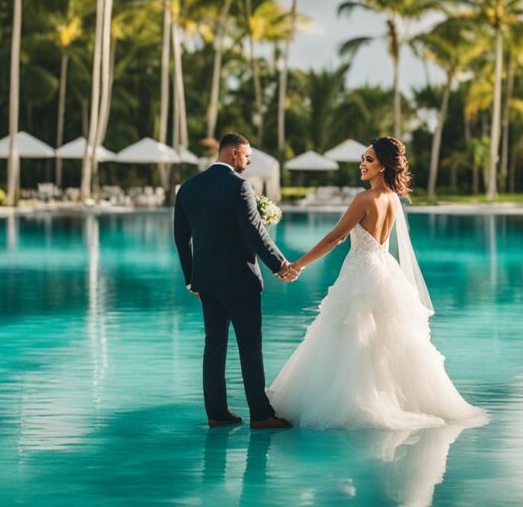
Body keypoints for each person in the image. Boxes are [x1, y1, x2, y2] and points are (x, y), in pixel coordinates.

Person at [267, 137, 489, 430]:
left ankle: (354, 403)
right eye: (363, 158)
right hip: (384, 271)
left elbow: (336, 237)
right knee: (381, 342)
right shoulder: (392, 199)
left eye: (369, 160)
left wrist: (297, 265)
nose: (362, 164)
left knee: (352, 339)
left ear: (383, 165)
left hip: (361, 273)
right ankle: (395, 399)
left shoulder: (365, 199)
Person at [173, 133, 297, 429]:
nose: (248, 162)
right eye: (247, 156)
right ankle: (260, 414)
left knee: (213, 347)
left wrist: (192, 279)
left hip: (206, 283)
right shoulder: (240, 187)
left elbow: (181, 238)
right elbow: (255, 233)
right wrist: (281, 265)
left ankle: (217, 413)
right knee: (250, 348)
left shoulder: (188, 188)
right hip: (241, 282)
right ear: (233, 154)